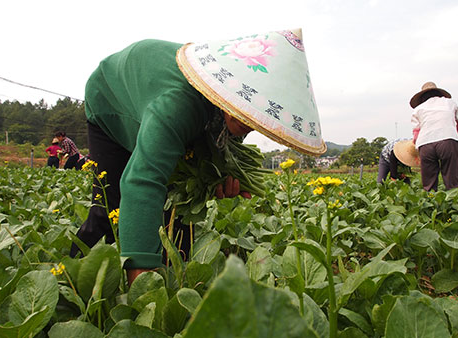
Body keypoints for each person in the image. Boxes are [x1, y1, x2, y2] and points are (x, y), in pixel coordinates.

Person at [70, 29, 326, 285]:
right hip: (111, 99)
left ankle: (176, 283)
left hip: (160, 104)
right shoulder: (176, 106)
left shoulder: (242, 109)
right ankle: (71, 279)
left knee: (178, 208)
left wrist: (217, 175)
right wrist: (143, 286)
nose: (252, 119)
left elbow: (214, 148)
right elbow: (142, 183)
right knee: (110, 207)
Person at [410, 82, 458, 191]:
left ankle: (430, 201)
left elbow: (416, 133)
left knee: (429, 180)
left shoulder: (418, 109)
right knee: (451, 177)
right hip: (448, 139)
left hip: (425, 143)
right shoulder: (449, 103)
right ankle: (453, 201)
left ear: (422, 97)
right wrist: (456, 133)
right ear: (438, 93)